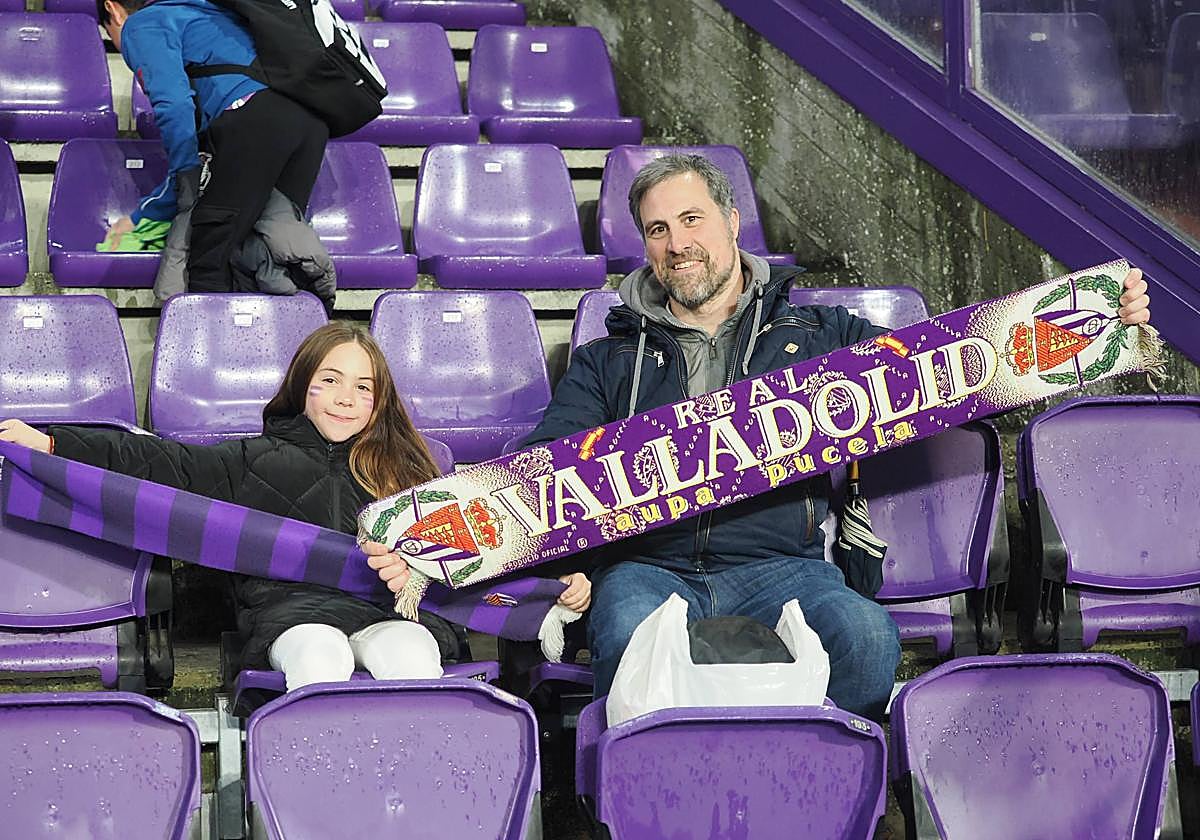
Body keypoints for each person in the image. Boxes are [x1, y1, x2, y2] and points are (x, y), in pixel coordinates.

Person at [419, 153, 1150, 720]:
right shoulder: (608, 359)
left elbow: (949, 373)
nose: (678, 243)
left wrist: (1101, 323)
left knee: (866, 641)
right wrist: (429, 544)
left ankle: (823, 791)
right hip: (648, 567)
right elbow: (541, 475)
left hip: (782, 563)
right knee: (628, 638)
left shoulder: (819, 335)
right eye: (658, 229)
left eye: (692, 219)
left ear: (732, 222)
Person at [3, 324, 477, 689]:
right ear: (302, 385)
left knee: (412, 656)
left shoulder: (410, 472)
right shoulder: (251, 460)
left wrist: (416, 574)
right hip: (296, 618)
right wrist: (53, 444)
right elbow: (159, 461)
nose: (345, 399)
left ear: (379, 401)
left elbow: (466, 560)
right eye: (330, 380)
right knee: (317, 657)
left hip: (389, 616)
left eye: (363, 388)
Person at [97, 0, 330, 293]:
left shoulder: (141, 24)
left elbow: (175, 106)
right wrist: (146, 214)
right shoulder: (206, 12)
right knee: (266, 246)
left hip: (255, 120)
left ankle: (208, 321)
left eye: (110, 34)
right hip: (309, 122)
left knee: (208, 258)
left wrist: (184, 180)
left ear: (113, 10)